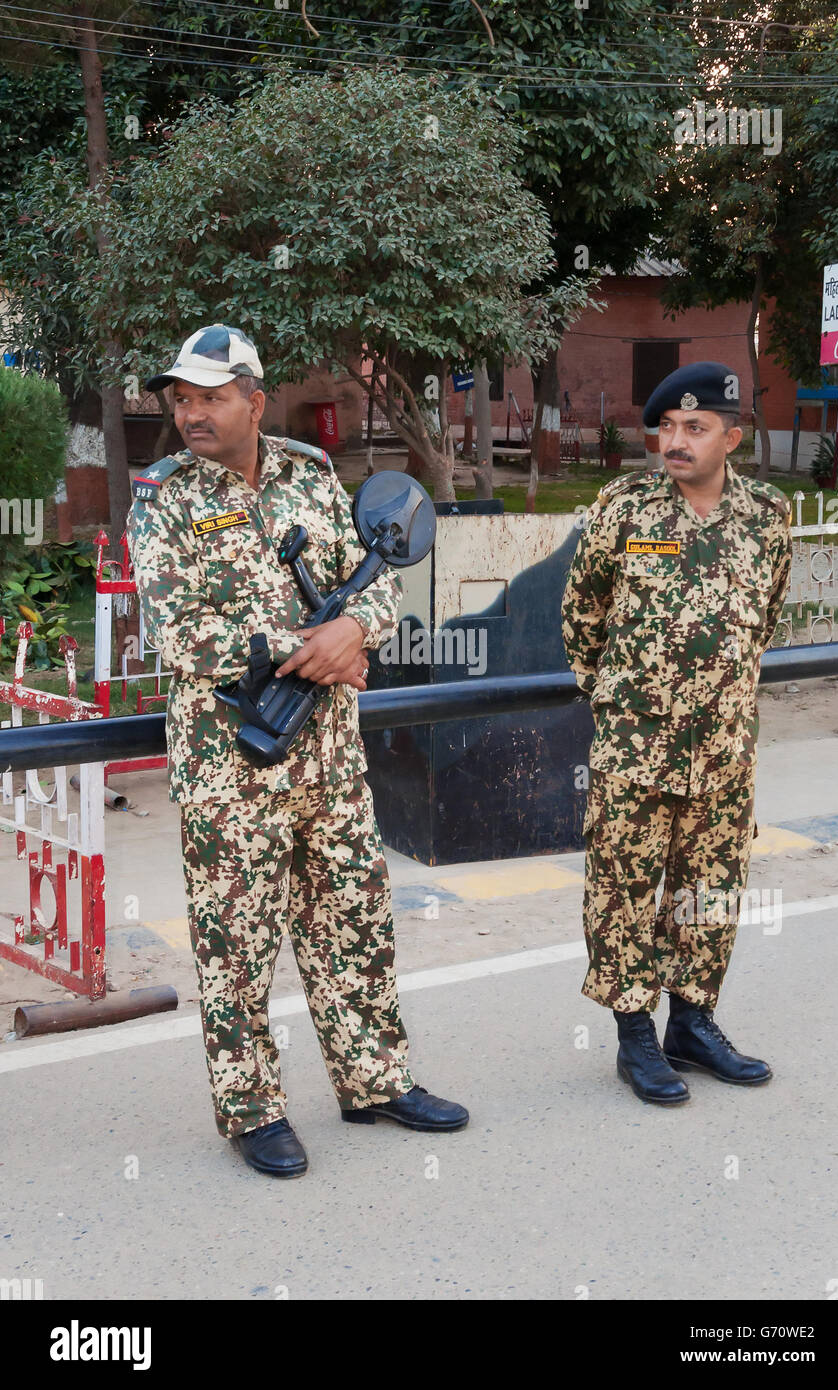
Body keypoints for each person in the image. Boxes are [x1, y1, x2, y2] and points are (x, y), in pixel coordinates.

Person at [127, 322, 468, 1175]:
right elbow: (177, 631)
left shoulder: (311, 476)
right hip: (230, 763)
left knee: (352, 918)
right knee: (235, 940)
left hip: (330, 759)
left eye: (211, 396)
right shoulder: (162, 495)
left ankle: (376, 1081)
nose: (192, 412)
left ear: (253, 395)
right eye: (182, 397)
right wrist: (304, 646)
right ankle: (252, 1110)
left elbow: (377, 578)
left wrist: (356, 625)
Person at [561, 362, 793, 1105]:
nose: (675, 440)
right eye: (665, 427)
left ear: (732, 436)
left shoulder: (766, 515)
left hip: (723, 746)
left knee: (710, 890)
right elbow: (582, 615)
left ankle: (692, 1023)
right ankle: (634, 1036)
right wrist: (621, 702)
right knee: (623, 890)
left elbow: (763, 617)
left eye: (694, 428)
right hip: (635, 744)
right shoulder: (623, 509)